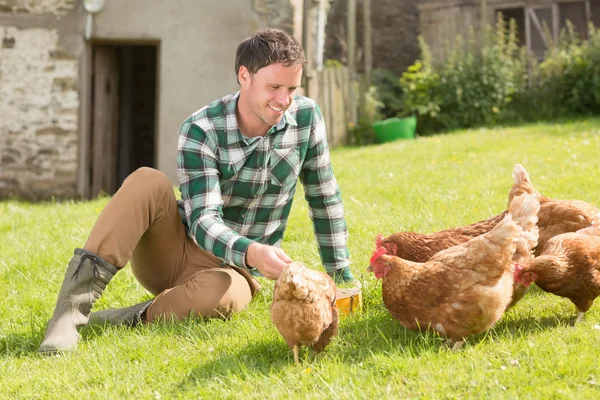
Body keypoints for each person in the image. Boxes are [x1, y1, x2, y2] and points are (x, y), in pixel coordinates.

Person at [38, 27, 354, 354]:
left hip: (236, 273)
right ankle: (70, 312)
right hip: (178, 250)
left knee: (225, 295)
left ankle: (126, 317)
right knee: (147, 180)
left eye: (291, 88)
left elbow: (324, 197)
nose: (283, 100)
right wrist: (253, 249)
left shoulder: (306, 118)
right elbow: (203, 220)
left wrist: (340, 275)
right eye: (273, 87)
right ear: (244, 76)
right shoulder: (202, 128)